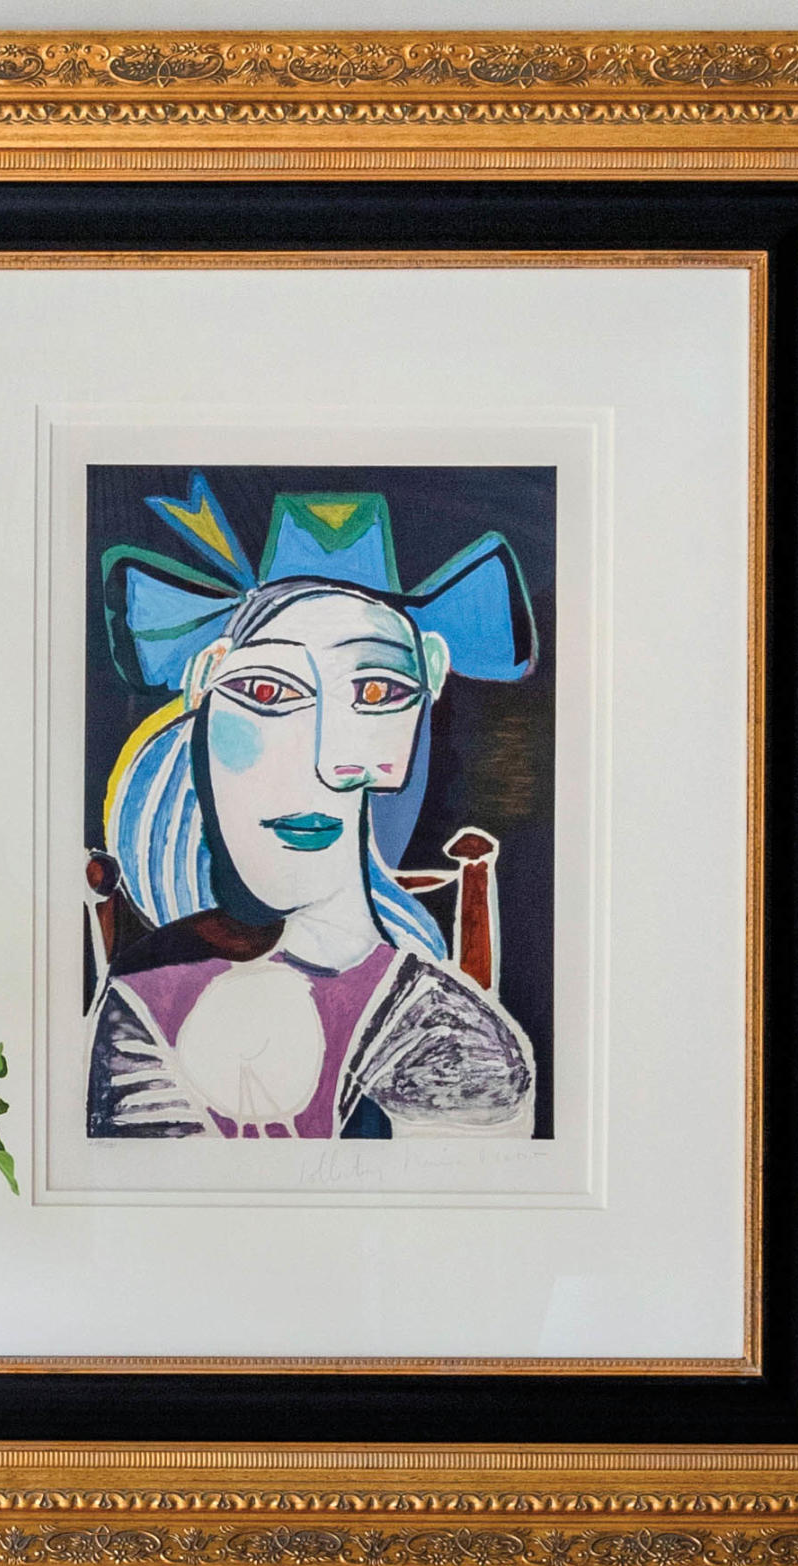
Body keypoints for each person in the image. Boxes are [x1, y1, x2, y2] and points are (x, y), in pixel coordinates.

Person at [88, 486, 535, 1144]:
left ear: (429, 690)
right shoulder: (142, 996)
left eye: (379, 691)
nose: (326, 761)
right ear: (203, 684)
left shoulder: (453, 1041)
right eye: (268, 690)